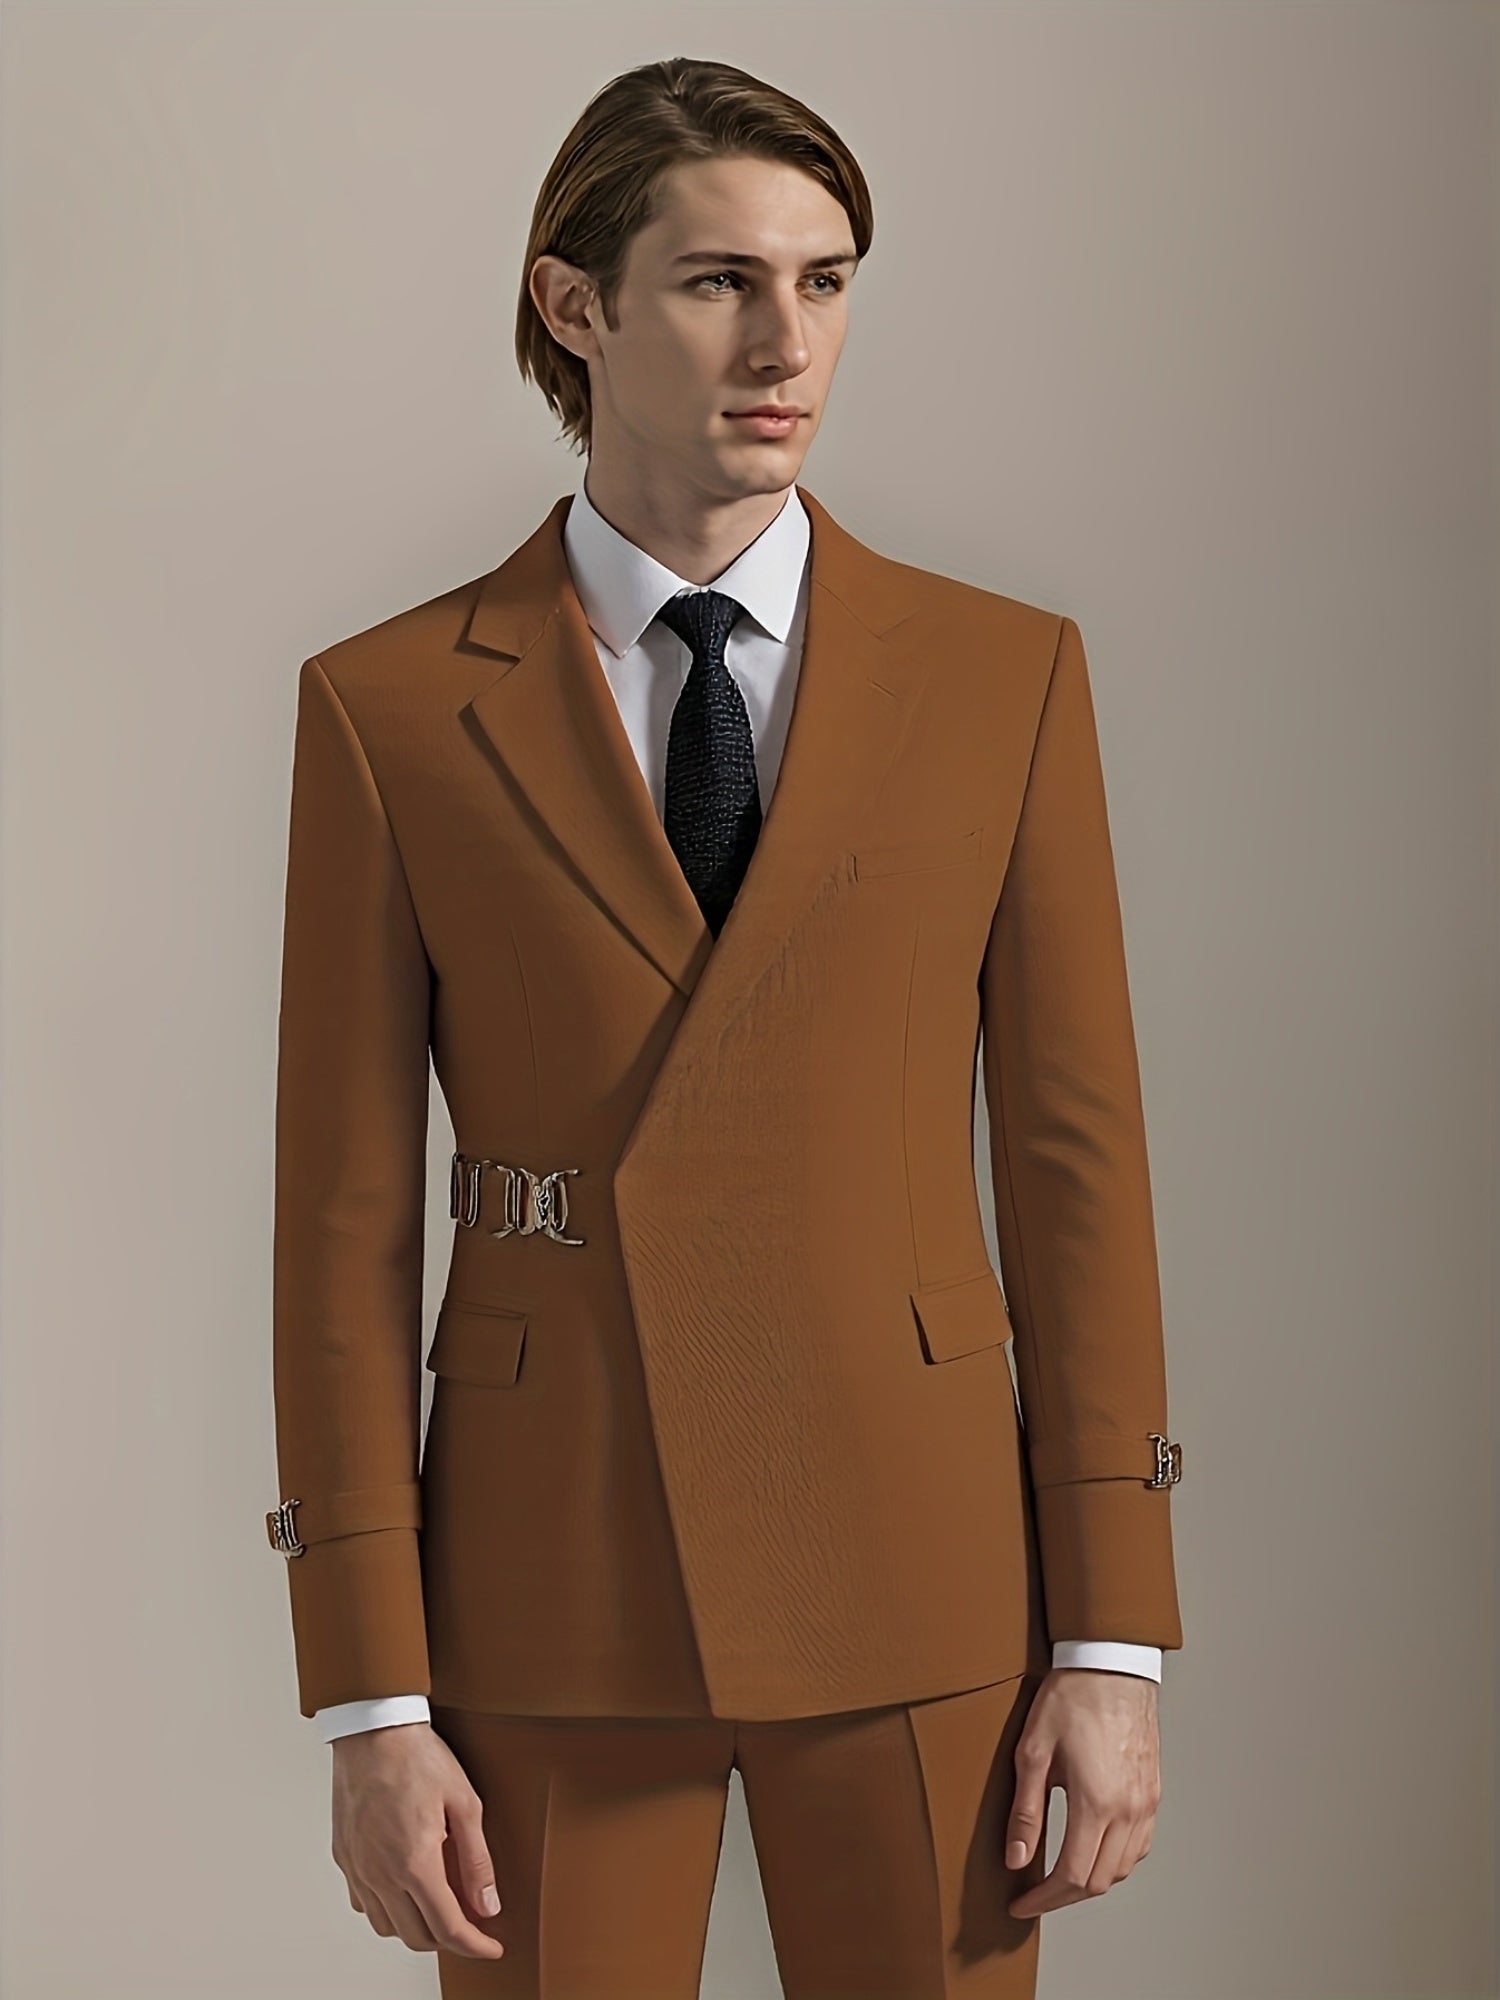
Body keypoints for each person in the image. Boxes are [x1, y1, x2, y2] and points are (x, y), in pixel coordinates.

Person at [267, 54, 1185, 1999]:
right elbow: (342, 1227)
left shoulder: (1003, 677)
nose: (788, 343)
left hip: (917, 1565)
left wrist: (1113, 1641)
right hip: (551, 1580)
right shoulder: (390, 707)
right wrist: (369, 1693)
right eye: (718, 282)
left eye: (826, 281)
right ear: (572, 304)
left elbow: (1076, 1172)